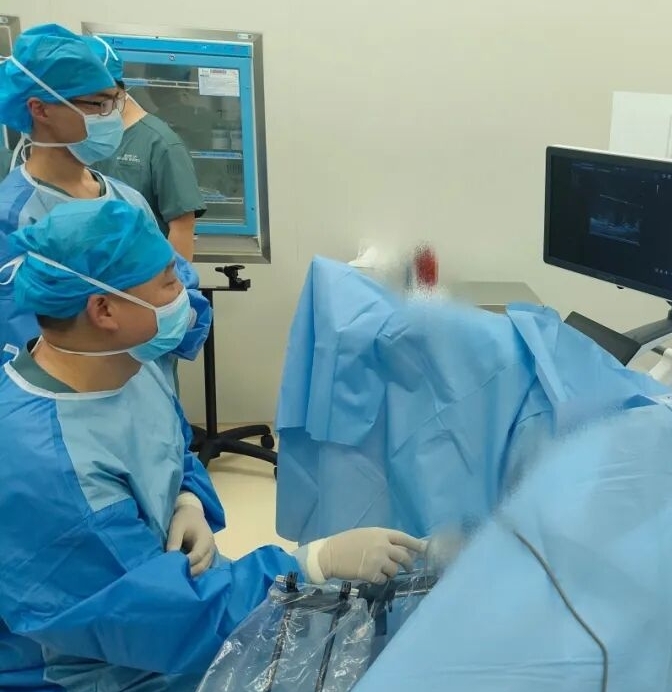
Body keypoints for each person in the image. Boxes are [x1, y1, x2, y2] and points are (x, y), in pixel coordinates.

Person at [0, 198, 425, 692]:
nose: (186, 295)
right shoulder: (44, 466)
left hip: (184, 603)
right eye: (168, 283)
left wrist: (188, 498)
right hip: (108, 665)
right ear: (104, 309)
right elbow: (154, 616)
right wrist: (310, 565)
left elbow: (169, 444)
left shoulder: (128, 363)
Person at [0, 23, 209, 372]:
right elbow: (22, 350)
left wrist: (177, 316)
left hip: (151, 386)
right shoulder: (12, 218)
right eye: (98, 104)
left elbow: (179, 290)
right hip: (72, 399)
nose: (112, 115)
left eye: (116, 101)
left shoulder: (126, 199)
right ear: (40, 109)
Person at [85, 35, 206, 262]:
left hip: (145, 274)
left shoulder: (161, 143)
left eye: (90, 102)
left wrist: (175, 281)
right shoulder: (84, 140)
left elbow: (182, 227)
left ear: (115, 92)